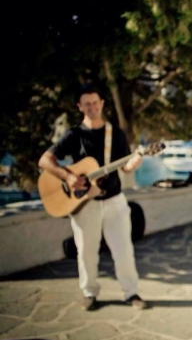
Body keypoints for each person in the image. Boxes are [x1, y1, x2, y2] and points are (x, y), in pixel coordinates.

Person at [38, 84, 148, 311]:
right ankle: (89, 292)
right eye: (87, 103)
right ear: (80, 106)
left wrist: (133, 163)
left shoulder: (115, 134)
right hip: (85, 204)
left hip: (115, 202)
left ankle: (131, 293)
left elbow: (125, 167)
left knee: (123, 250)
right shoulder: (74, 135)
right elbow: (45, 161)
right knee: (86, 252)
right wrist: (68, 177)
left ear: (102, 104)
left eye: (95, 103)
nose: (92, 107)